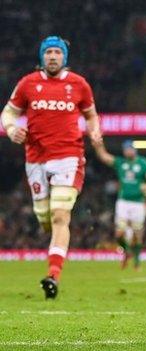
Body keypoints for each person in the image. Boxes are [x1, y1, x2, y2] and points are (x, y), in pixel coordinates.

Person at [1, 36, 102, 299]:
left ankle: (53, 276)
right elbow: (8, 113)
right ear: (42, 57)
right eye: (48, 53)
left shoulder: (78, 84)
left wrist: (95, 131)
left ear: (64, 56)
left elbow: (91, 114)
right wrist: (10, 129)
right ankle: (55, 246)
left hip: (68, 156)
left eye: (57, 52)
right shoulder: (28, 83)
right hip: (35, 158)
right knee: (45, 219)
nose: (53, 56)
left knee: (60, 216)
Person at [93, 140, 146, 270]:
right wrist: (98, 145)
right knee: (119, 233)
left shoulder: (142, 163)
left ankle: (137, 262)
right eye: (125, 149)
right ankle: (127, 251)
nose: (128, 151)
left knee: (137, 234)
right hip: (123, 202)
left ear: (134, 150)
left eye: (130, 149)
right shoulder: (121, 163)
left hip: (138, 203)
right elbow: (104, 157)